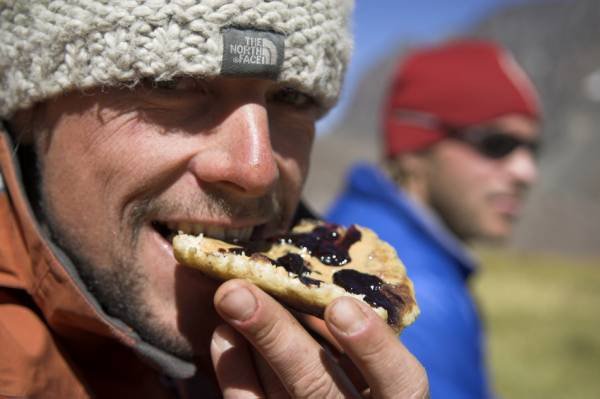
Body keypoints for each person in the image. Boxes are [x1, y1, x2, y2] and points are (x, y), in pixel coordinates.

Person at [0, 1, 429, 398]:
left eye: (293, 97)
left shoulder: (326, 350)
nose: (256, 170)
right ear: (28, 112)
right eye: (169, 84)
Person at [326, 39, 541, 398]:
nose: (526, 171)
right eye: (496, 144)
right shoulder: (409, 293)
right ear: (414, 149)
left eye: (532, 149)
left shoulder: (353, 234)